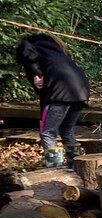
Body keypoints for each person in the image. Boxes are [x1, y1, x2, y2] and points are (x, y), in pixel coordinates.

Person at [15, 33, 90, 168]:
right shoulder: (56, 53)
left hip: (59, 91)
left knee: (47, 132)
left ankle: (55, 168)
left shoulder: (29, 44)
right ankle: (79, 167)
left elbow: (27, 54)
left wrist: (35, 73)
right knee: (66, 130)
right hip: (81, 90)